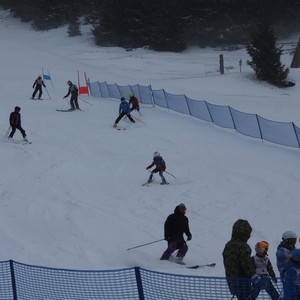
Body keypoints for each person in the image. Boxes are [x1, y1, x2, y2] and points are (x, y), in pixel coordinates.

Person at [222, 219, 260, 300]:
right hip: (243, 282)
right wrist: (255, 277)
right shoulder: (243, 246)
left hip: (232, 281)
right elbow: (246, 264)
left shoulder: (228, 245)